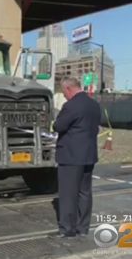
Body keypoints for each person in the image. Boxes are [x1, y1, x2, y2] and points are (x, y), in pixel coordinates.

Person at [53, 77, 101, 238]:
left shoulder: (71, 106)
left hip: (71, 156)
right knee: (84, 192)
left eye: (64, 92)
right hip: (89, 155)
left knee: (68, 193)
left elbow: (59, 126)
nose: (64, 96)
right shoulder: (94, 105)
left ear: (68, 89)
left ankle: (67, 229)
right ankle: (83, 227)